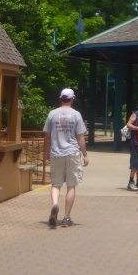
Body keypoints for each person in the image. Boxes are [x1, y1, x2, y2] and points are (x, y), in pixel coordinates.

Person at [43, 88, 88, 228]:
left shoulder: (52, 114)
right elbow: (80, 136)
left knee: (56, 184)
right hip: (72, 153)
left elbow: (47, 135)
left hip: (56, 152)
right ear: (72, 98)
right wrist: (85, 154)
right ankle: (66, 218)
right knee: (71, 185)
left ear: (60, 98)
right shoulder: (76, 115)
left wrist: (46, 152)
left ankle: (55, 205)